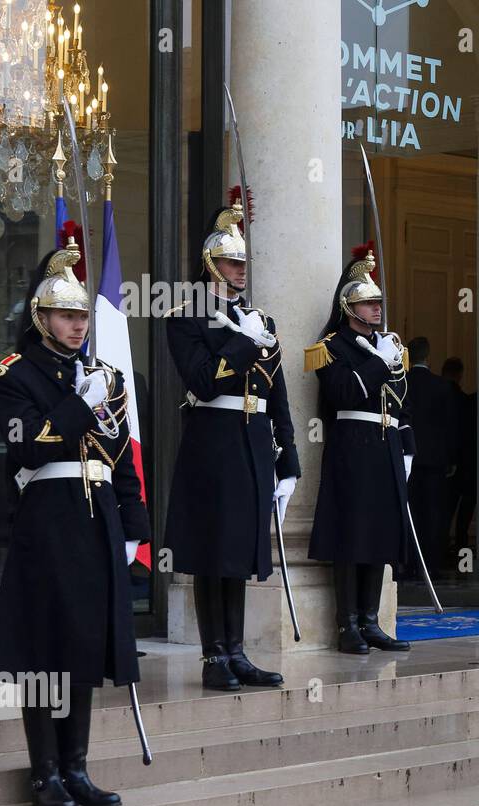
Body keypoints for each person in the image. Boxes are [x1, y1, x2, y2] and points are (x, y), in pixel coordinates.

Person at [0, 236, 148, 806]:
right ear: (41, 316)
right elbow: (26, 447)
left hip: (95, 518)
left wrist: (134, 525)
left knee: (81, 644)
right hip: (46, 521)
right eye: (65, 314)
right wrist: (78, 403)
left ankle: (77, 767)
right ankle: (45, 771)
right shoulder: (12, 376)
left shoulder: (105, 375)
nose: (78, 325)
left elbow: (122, 457)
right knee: (43, 649)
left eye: (82, 315)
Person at [164, 194, 300, 690]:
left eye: (243, 262)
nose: (239, 270)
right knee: (211, 549)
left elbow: (278, 393)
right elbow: (203, 380)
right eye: (230, 261)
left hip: (253, 440)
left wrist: (289, 457)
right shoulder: (186, 315)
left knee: (240, 549)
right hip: (213, 441)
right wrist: (243, 342)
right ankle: (213, 656)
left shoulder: (261, 320)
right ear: (209, 263)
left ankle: (238, 651)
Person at [305, 245, 413, 654]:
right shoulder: (332, 346)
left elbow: (403, 401)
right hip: (352, 444)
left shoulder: (387, 344)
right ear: (349, 305)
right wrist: (380, 363)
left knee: (380, 536)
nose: (375, 308)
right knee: (351, 536)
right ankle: (347, 624)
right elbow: (343, 392)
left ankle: (371, 620)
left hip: (386, 444)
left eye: (377, 302)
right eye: (368, 302)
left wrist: (407, 446)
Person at [403, 336, 458, 578]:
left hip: (407, 458)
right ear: (428, 356)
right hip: (435, 460)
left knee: (409, 512)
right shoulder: (442, 386)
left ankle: (408, 564)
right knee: (433, 514)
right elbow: (450, 427)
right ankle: (431, 566)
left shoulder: (401, 382)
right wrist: (451, 458)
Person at [441, 356, 476, 556]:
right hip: (467, 461)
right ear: (460, 375)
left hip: (445, 460)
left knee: (445, 509)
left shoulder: (439, 395)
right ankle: (461, 544)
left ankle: (442, 546)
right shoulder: (466, 401)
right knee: (465, 508)